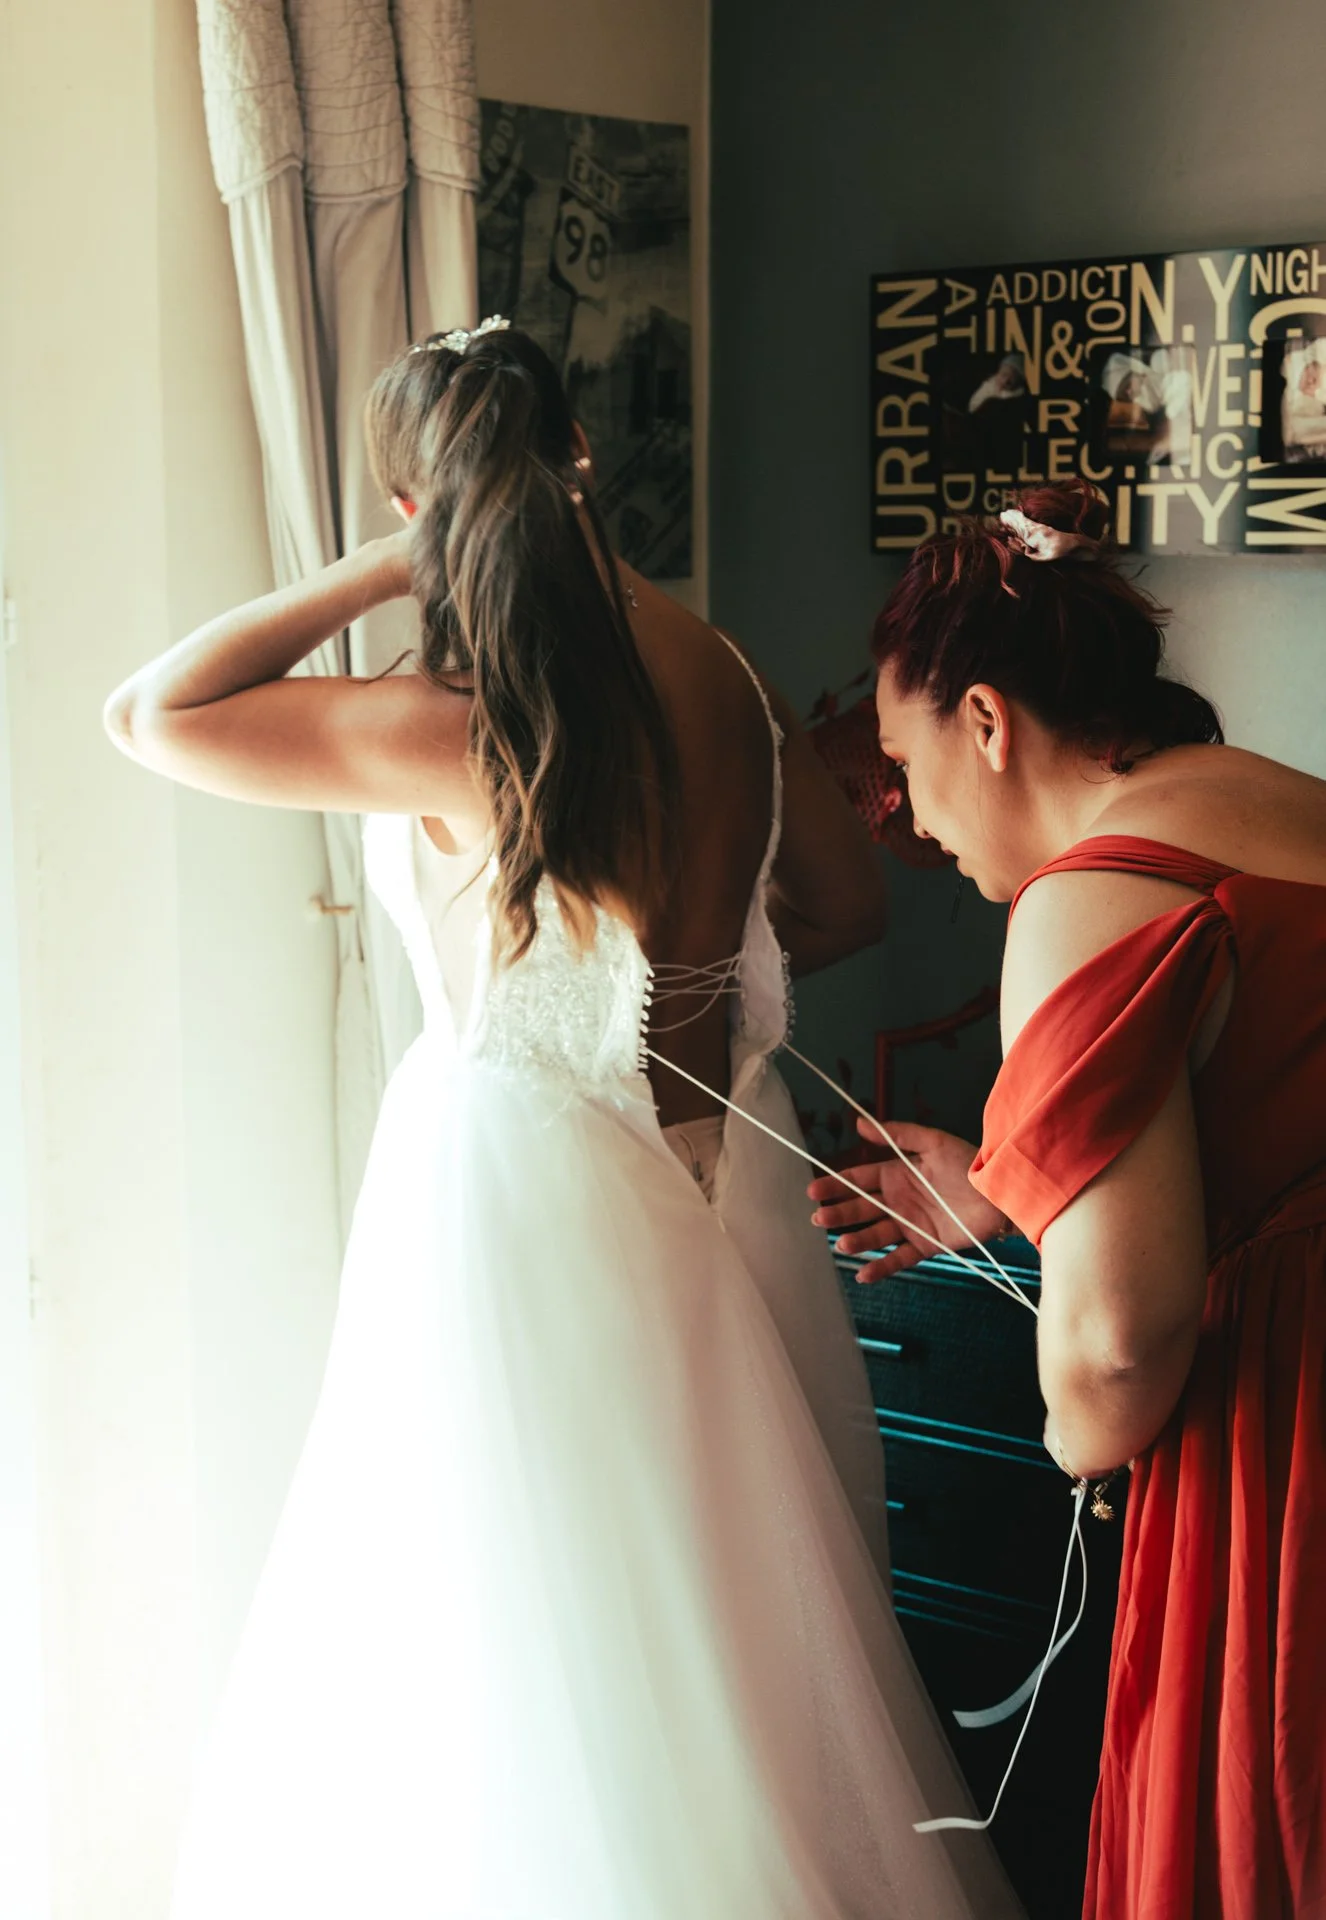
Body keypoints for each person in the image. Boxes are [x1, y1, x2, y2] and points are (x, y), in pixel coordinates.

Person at [104, 320, 1021, 1917]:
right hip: (724, 1202)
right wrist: (677, 987)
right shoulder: (720, 671)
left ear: (428, 507)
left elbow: (149, 714)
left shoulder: (459, 725)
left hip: (519, 1215)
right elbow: (841, 904)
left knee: (516, 1651)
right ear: (581, 461)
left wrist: (384, 573)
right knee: (742, 1644)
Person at [810, 476, 1326, 1919]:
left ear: (985, 720)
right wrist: (998, 1182)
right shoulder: (1269, 803)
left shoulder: (1088, 888)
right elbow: (1266, 1122)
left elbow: (1111, 1343)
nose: (903, 816)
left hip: (1288, 1442)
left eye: (903, 765)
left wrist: (1073, 1419)